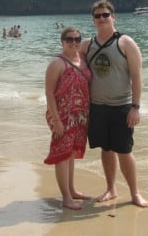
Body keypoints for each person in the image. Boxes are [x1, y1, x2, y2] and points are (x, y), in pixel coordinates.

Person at [80, 0, 148, 208]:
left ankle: (135, 193)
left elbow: (137, 77)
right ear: (93, 20)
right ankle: (111, 189)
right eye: (97, 16)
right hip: (97, 106)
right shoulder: (87, 45)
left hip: (122, 106)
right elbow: (71, 60)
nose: (102, 18)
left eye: (105, 15)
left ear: (113, 17)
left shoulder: (126, 43)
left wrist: (135, 108)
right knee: (106, 148)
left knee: (124, 151)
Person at [44, 26, 92, 210]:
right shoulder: (57, 63)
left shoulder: (83, 59)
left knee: (71, 153)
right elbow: (49, 93)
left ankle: (72, 190)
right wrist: (56, 120)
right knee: (63, 154)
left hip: (80, 115)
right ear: (62, 42)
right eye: (69, 39)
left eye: (77, 39)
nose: (74, 42)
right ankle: (66, 197)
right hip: (63, 115)